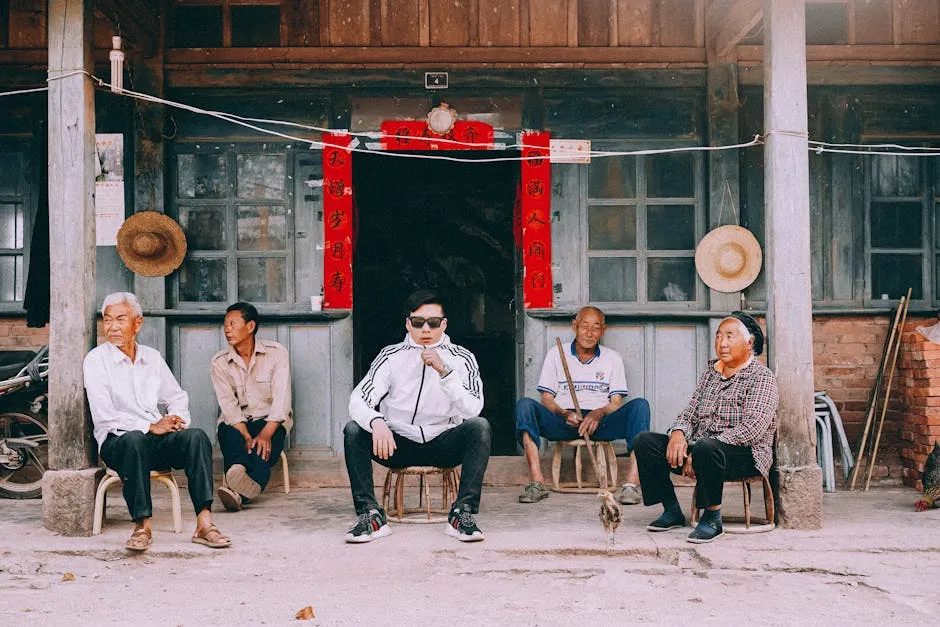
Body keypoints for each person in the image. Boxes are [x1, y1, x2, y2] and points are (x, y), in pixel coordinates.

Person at [83, 292, 231, 552]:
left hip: (153, 440)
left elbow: (176, 396)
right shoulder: (96, 361)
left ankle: (204, 523)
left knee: (196, 437)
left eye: (120, 319)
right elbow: (105, 416)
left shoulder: (151, 357)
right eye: (107, 320)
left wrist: (176, 420)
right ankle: (142, 526)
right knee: (134, 439)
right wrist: (150, 426)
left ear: (137, 323)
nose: (113, 327)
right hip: (118, 443)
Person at [343, 289, 490, 543]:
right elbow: (358, 399)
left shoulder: (462, 358)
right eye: (418, 322)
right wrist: (376, 422)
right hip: (397, 443)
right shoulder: (390, 356)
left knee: (480, 427)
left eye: (433, 323)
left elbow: (473, 408)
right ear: (407, 323)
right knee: (353, 430)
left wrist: (444, 372)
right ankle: (370, 515)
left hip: (443, 442)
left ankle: (462, 514)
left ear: (444, 324)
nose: (426, 330)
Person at [633, 311, 778, 544]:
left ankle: (712, 518)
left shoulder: (762, 377)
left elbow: (753, 428)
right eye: (719, 336)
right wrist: (679, 434)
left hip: (744, 456)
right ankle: (671, 510)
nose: (722, 343)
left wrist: (702, 447)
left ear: (749, 342)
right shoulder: (711, 373)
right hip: (702, 450)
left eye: (730, 336)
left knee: (707, 448)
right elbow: (689, 413)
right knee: (645, 441)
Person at [515, 306, 650, 505]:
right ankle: (537, 482)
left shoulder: (612, 358)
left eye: (595, 327)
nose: (589, 333)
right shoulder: (556, 354)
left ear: (603, 331)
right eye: (584, 326)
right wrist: (563, 414)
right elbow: (546, 399)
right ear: (574, 326)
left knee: (640, 406)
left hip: (600, 423)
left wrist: (598, 413)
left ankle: (631, 485)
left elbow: (616, 403)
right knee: (525, 405)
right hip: (565, 422)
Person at [210, 302, 292, 512]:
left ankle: (235, 489)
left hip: (270, 420)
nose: (227, 329)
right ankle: (240, 489)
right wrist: (246, 435)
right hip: (238, 422)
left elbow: (281, 401)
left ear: (250, 326)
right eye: (225, 324)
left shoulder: (276, 354)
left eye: (232, 324)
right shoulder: (219, 362)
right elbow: (228, 405)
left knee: (264, 447)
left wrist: (265, 434)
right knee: (232, 438)